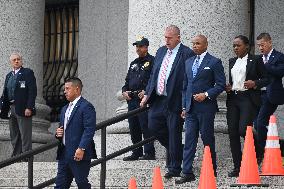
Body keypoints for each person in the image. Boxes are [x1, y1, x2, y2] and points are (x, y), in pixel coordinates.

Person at [140, 25, 195, 178]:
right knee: (153, 126)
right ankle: (178, 150)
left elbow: (188, 79)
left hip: (175, 100)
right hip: (158, 99)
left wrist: (186, 103)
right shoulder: (161, 51)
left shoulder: (186, 53)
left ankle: (174, 168)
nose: (167, 40)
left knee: (174, 133)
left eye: (170, 38)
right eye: (165, 37)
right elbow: (154, 75)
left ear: (178, 37)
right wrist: (147, 94)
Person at [175, 35, 226, 184]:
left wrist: (206, 94)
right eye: (193, 44)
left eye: (198, 43)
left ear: (206, 45)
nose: (195, 46)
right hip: (190, 109)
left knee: (207, 138)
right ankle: (186, 172)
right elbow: (185, 86)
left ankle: (212, 168)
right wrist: (184, 106)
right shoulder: (188, 62)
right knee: (189, 139)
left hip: (206, 108)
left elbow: (220, 84)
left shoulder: (214, 62)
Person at [225, 35, 269, 177]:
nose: (235, 48)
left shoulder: (256, 60)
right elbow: (234, 80)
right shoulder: (232, 61)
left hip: (248, 98)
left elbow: (267, 79)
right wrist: (229, 87)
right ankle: (237, 167)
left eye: (238, 45)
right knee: (232, 132)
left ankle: (258, 150)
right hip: (233, 99)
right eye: (234, 46)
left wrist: (255, 83)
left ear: (247, 46)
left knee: (243, 129)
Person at [55, 77, 96, 189]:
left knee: (82, 183)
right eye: (64, 89)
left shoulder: (86, 106)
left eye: (67, 88)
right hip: (64, 153)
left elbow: (89, 129)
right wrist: (58, 133)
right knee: (60, 185)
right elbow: (63, 128)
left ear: (77, 89)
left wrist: (81, 148)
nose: (65, 91)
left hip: (78, 153)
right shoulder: (64, 109)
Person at [122, 36, 155, 161]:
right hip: (132, 99)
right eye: (136, 46)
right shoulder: (133, 63)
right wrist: (124, 91)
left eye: (140, 46)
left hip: (144, 99)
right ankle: (136, 152)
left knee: (145, 126)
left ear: (146, 47)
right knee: (133, 126)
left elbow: (154, 80)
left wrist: (146, 92)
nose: (138, 49)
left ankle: (149, 152)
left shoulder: (153, 61)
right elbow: (127, 81)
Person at [0, 52, 37, 158]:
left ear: (21, 61)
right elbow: (5, 93)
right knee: (14, 134)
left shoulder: (27, 73)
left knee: (25, 134)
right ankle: (16, 156)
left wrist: (29, 107)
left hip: (23, 108)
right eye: (14, 60)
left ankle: (26, 157)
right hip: (11, 109)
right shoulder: (9, 76)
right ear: (11, 62)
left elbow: (32, 91)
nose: (16, 61)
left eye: (18, 59)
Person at [256, 33, 284, 163]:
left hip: (271, 95)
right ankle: (271, 147)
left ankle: (264, 152)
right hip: (257, 94)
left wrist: (265, 64)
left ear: (269, 43)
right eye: (258, 46)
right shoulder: (257, 58)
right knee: (255, 124)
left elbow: (280, 72)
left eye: (262, 45)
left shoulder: (279, 57)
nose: (260, 48)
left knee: (260, 122)